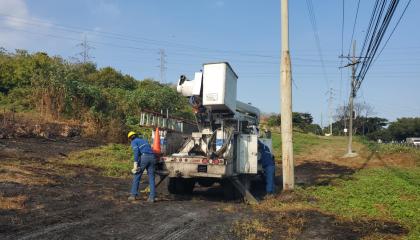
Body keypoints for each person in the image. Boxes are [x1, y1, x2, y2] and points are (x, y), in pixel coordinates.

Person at [127, 131, 156, 202]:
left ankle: (133, 195)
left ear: (130, 138)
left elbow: (136, 152)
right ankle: (152, 197)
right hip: (153, 157)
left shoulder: (134, 141)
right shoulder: (144, 140)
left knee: (137, 175)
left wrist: (135, 163)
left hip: (144, 157)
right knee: (151, 178)